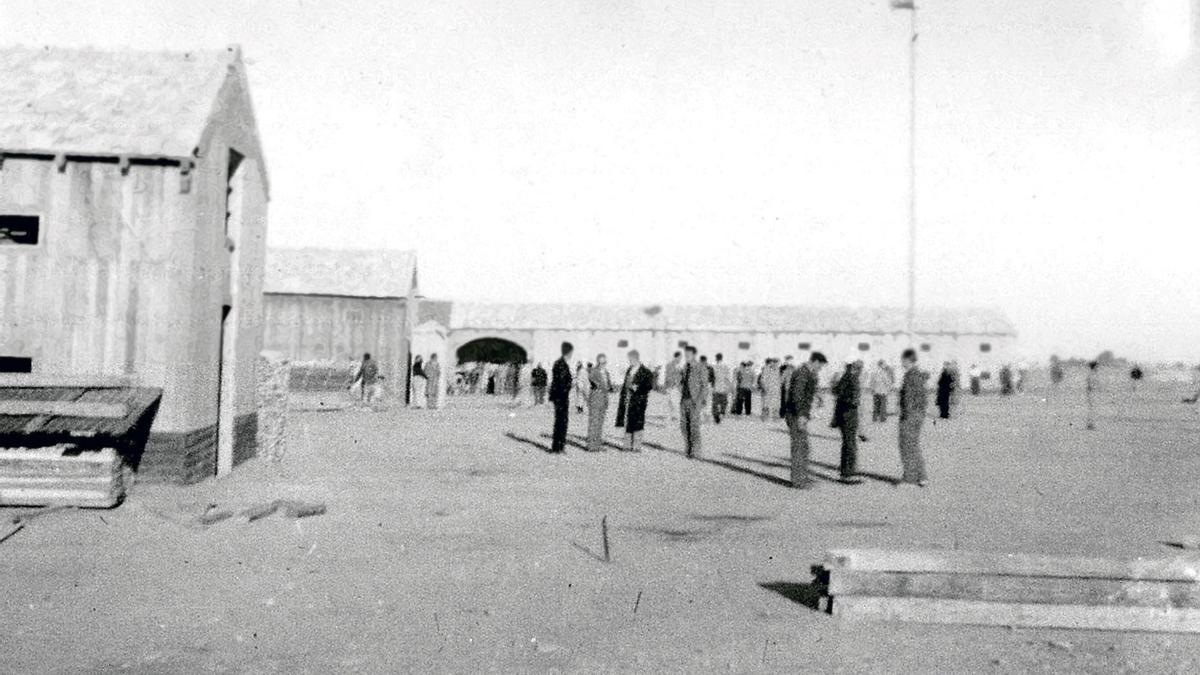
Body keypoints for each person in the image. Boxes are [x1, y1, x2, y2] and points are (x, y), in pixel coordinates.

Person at [783, 352, 826, 488]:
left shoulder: (807, 372)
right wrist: (801, 415)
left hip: (799, 414)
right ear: (815, 362)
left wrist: (818, 396)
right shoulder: (802, 372)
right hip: (796, 414)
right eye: (820, 365)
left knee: (804, 447)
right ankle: (798, 481)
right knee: (799, 447)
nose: (820, 369)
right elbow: (797, 395)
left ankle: (802, 477)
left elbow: (807, 389)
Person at [898, 348, 929, 487]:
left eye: (902, 360)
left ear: (907, 360)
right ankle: (922, 476)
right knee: (914, 445)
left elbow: (908, 398)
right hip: (919, 415)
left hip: (910, 416)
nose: (901, 363)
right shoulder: (919, 375)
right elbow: (923, 398)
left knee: (906, 446)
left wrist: (906, 415)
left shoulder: (910, 375)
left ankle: (910, 478)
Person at [831, 359, 864, 484]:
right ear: (854, 367)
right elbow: (851, 398)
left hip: (844, 414)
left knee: (848, 443)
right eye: (860, 367)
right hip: (849, 414)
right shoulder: (852, 378)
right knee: (850, 444)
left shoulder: (845, 377)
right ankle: (848, 474)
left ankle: (846, 472)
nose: (861, 370)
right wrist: (854, 402)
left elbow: (836, 391)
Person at [615, 350, 655, 451]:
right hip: (628, 399)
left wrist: (638, 388)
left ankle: (636, 446)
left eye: (631, 359)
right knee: (628, 421)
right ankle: (627, 445)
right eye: (629, 359)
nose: (630, 361)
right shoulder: (629, 369)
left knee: (638, 422)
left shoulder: (646, 371)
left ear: (636, 358)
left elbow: (649, 386)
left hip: (639, 401)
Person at [678, 346, 709, 458]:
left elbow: (704, 386)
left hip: (694, 401)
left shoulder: (701, 367)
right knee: (684, 426)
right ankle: (688, 449)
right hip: (684, 400)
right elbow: (682, 382)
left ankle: (696, 451)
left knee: (694, 426)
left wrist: (699, 401)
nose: (686, 357)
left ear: (694, 355)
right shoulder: (685, 367)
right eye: (685, 354)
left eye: (689, 355)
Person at [549, 342, 575, 453]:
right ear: (568, 352)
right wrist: (570, 384)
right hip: (561, 396)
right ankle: (558, 447)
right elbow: (562, 382)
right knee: (562, 422)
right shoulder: (562, 364)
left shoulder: (558, 363)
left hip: (558, 396)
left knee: (560, 421)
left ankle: (558, 447)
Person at [587, 353, 612, 452]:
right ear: (598, 362)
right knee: (594, 423)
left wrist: (609, 387)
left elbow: (608, 385)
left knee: (600, 424)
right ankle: (591, 446)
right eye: (601, 362)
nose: (603, 364)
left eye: (604, 362)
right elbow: (591, 378)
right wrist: (598, 385)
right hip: (595, 400)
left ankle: (597, 445)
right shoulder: (594, 371)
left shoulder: (606, 372)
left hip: (604, 400)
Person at [711, 353, 733, 424]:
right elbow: (728, 378)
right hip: (724, 388)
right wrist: (730, 387)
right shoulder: (726, 366)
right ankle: (722, 412)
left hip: (716, 388)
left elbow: (711, 377)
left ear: (716, 358)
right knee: (724, 402)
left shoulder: (713, 366)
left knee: (715, 404)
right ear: (722, 358)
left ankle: (716, 415)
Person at [663, 351, 684, 421]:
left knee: (676, 402)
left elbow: (681, 376)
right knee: (671, 402)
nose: (680, 359)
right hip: (671, 386)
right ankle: (672, 416)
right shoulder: (669, 365)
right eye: (680, 357)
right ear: (676, 357)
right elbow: (668, 376)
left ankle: (675, 416)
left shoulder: (680, 366)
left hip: (677, 387)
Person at [1085, 360, 1099, 430]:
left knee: (1091, 409)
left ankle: (1090, 424)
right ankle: (1090, 424)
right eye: (1097, 366)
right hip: (1092, 393)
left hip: (1092, 393)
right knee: (1091, 409)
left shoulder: (1091, 373)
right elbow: (1091, 384)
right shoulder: (1092, 374)